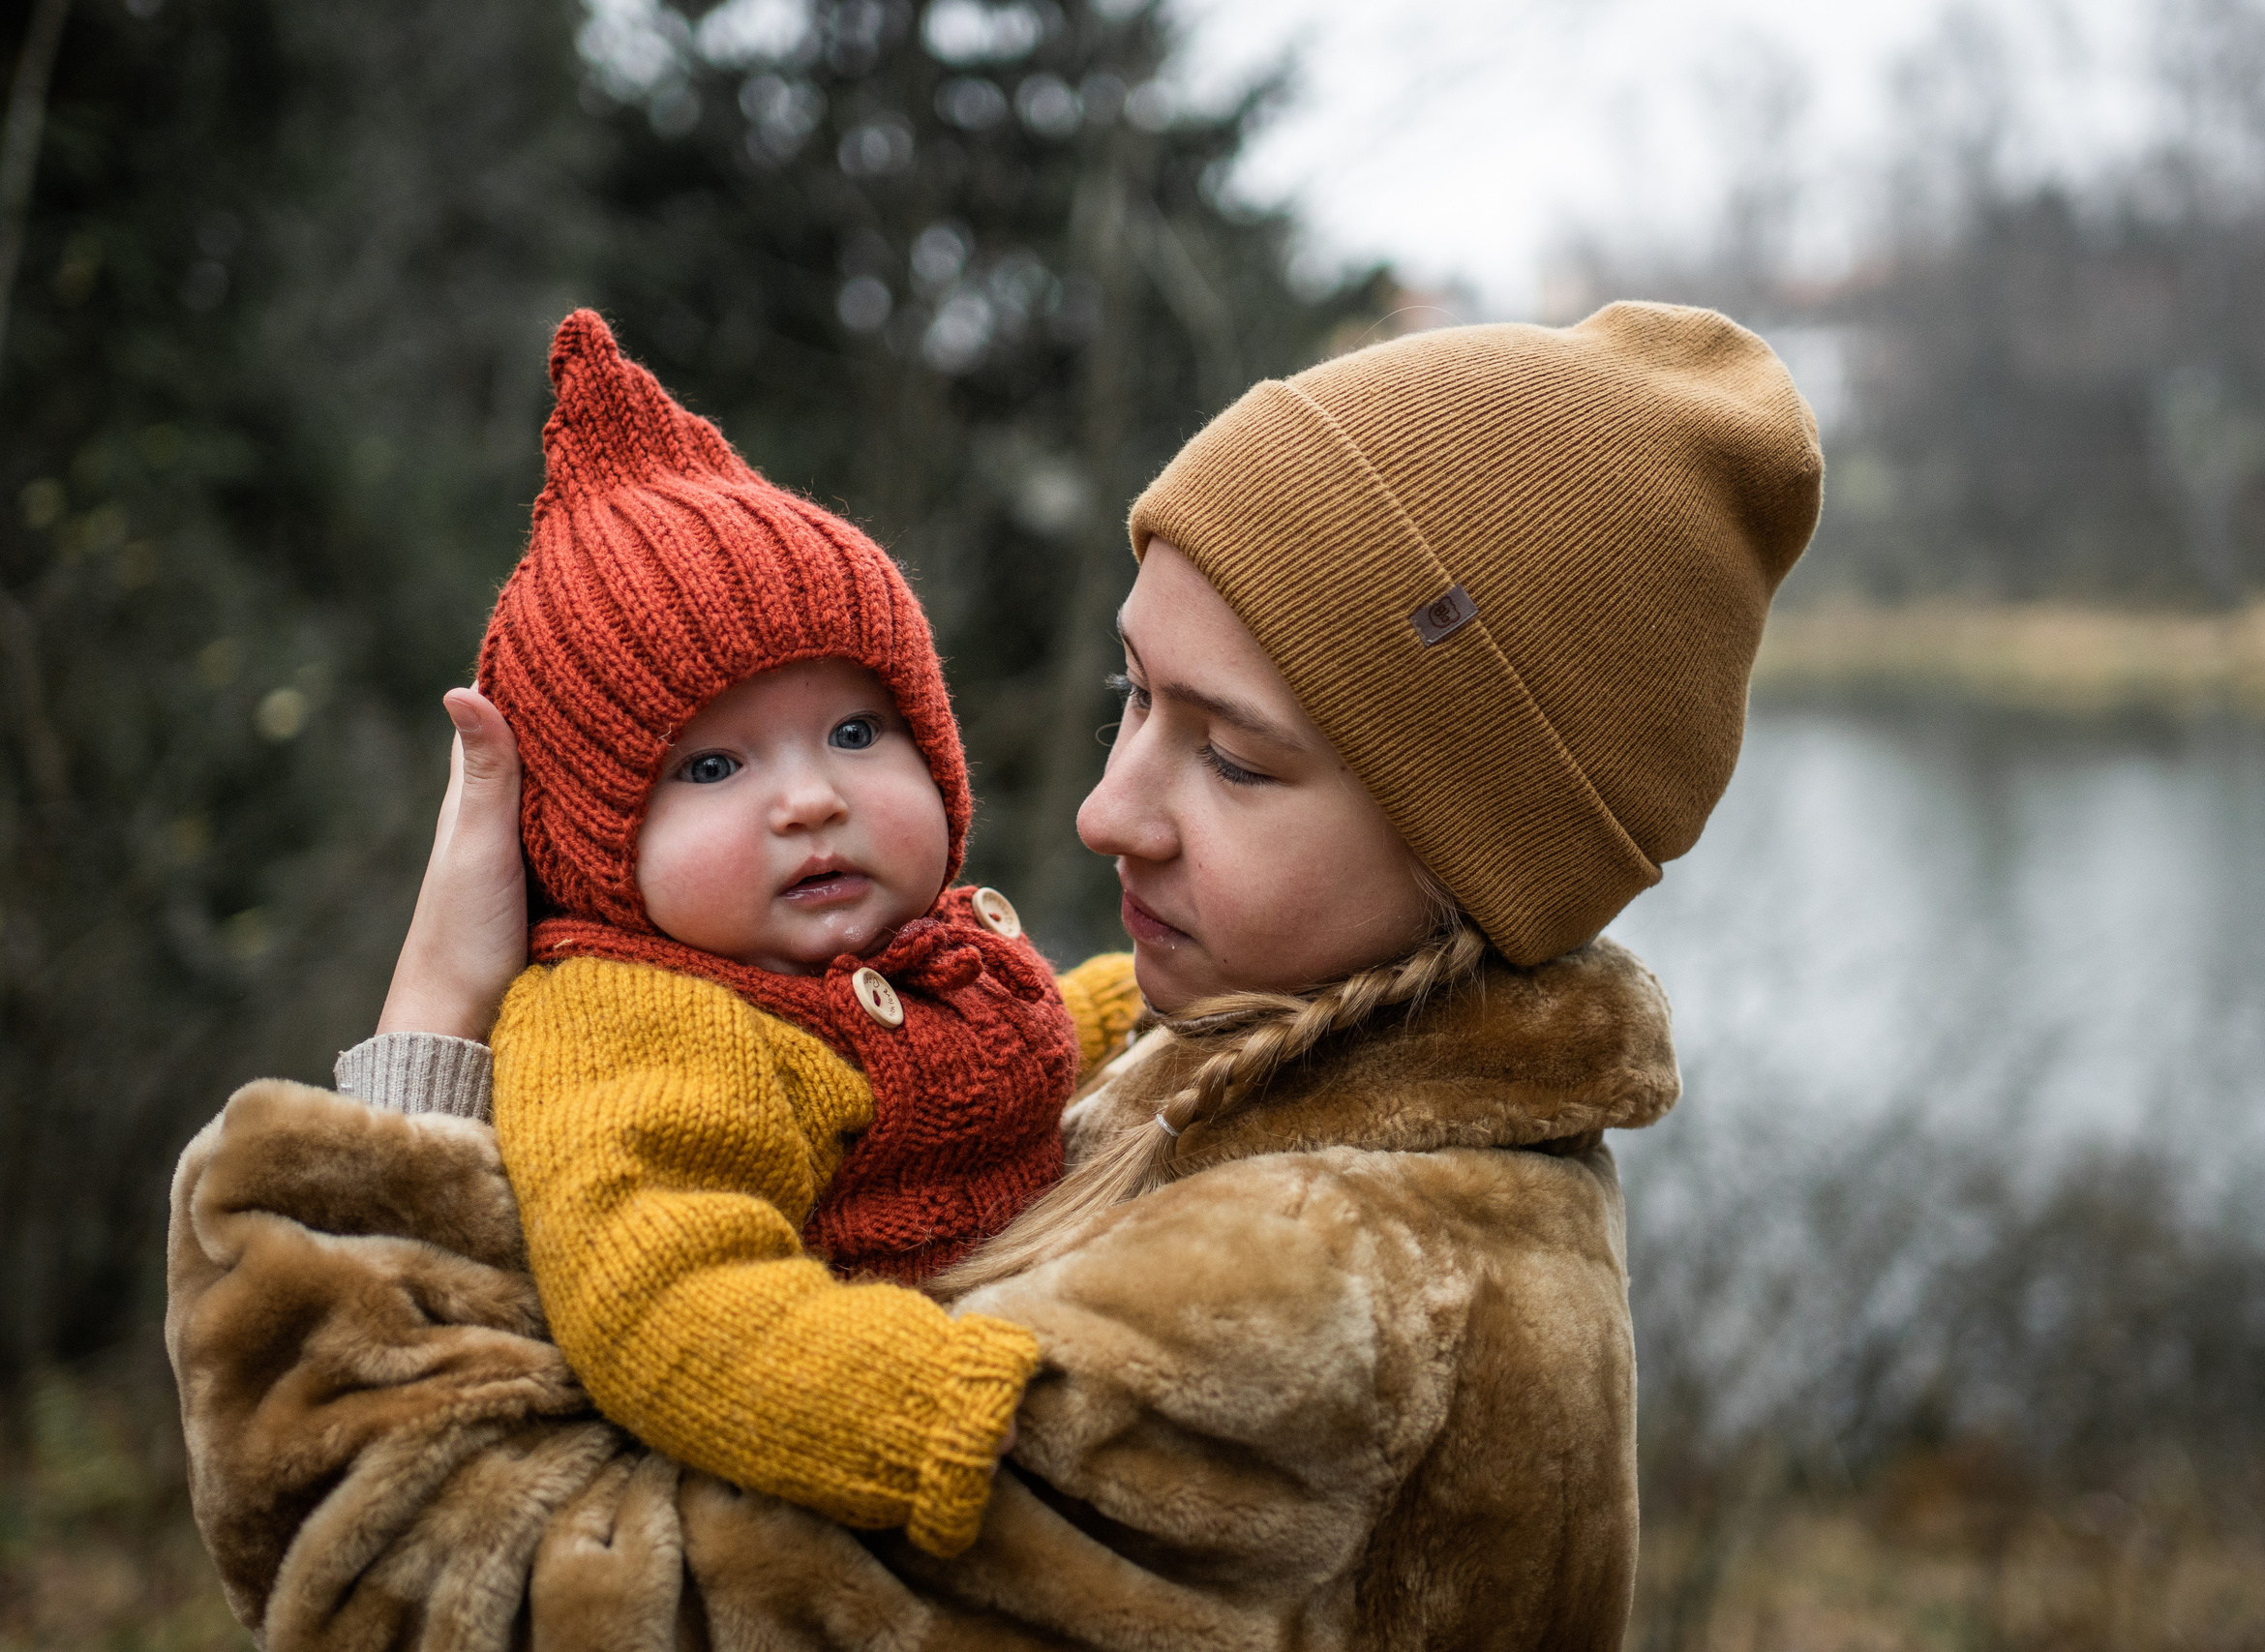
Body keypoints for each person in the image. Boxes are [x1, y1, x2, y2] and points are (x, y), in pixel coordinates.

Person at [166, 300, 1822, 1650]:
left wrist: (426, 1049)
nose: (1105, 808)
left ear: (1481, 839)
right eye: (1133, 696)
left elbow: (420, 1597)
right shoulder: (1249, 1067)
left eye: (1233, 761)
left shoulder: (1313, 1308)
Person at [335, 308, 1145, 1561]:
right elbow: (664, 1298)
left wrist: (1153, 1003)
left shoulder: (914, 953)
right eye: (711, 764)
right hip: (871, 1503)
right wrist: (933, 1409)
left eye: (858, 733)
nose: (811, 797)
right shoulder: (631, 1022)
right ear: (593, 840)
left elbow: (1038, 1036)